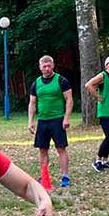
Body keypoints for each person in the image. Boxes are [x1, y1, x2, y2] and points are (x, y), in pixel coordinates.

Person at [27, 55, 73, 188]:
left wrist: (66, 117)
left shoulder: (61, 80)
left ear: (53, 66)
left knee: (61, 149)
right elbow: (32, 103)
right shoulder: (36, 83)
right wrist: (30, 121)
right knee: (42, 149)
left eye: (49, 66)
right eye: (44, 66)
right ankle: (44, 175)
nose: (47, 69)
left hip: (57, 120)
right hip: (43, 121)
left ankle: (65, 176)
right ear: (40, 67)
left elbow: (69, 99)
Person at [85, 55, 109, 173]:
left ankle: (105, 161)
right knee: (108, 136)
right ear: (106, 65)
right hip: (105, 112)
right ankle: (97, 161)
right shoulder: (103, 76)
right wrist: (97, 96)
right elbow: (88, 85)